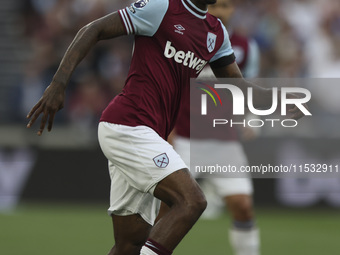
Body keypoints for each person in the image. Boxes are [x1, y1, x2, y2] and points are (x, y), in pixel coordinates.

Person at [26, 0, 305, 254]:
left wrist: (276, 100)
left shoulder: (216, 33)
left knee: (129, 244)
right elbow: (94, 28)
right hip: (128, 125)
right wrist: (58, 84)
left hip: (147, 134)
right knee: (192, 201)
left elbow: (236, 85)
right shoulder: (161, 8)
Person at [164, 0, 261, 254]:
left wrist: (251, 117)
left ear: (234, 10)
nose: (219, 11)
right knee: (167, 208)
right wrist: (166, 129)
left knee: (242, 205)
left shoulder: (245, 46)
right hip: (184, 138)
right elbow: (169, 84)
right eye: (215, 6)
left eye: (226, 6)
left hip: (225, 140)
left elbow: (246, 88)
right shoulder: (184, 35)